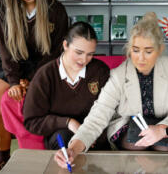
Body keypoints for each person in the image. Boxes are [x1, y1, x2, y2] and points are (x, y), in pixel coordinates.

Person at [54, 12, 168, 169]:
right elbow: (98, 115)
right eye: (135, 50)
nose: (141, 58)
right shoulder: (119, 74)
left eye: (148, 51)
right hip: (128, 127)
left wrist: (162, 129)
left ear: (159, 50)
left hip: (165, 125)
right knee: (136, 143)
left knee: (165, 145)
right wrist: (73, 149)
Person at [0, 0, 68, 173]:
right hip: (13, 61)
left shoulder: (55, 9)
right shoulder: (3, 6)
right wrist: (15, 81)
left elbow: (55, 52)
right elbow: (5, 48)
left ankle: (25, 148)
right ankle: (4, 158)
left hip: (44, 64)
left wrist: (33, 79)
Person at [23, 22, 110, 150]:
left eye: (90, 54)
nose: (84, 60)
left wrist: (87, 134)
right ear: (65, 45)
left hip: (95, 134)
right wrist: (68, 122)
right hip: (62, 136)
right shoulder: (45, 75)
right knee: (64, 139)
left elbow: (109, 109)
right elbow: (32, 121)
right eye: (79, 52)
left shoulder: (100, 71)